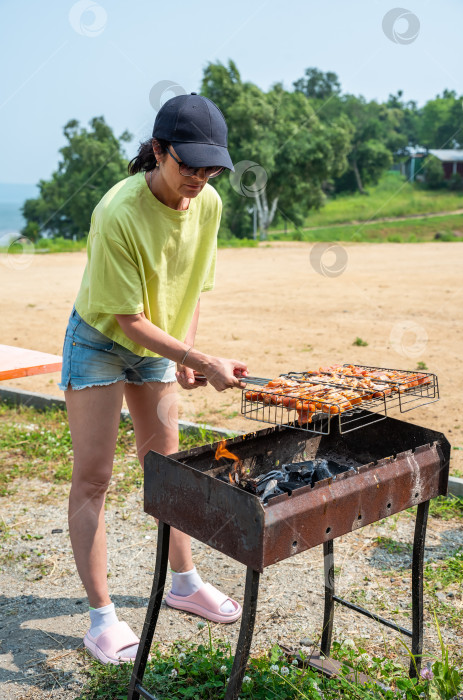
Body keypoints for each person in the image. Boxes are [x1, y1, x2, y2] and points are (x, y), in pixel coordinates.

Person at [58, 92, 248, 665]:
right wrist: (195, 357)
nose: (198, 177)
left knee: (167, 471)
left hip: (157, 343)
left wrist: (189, 358)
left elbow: (191, 285)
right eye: (187, 164)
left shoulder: (208, 202)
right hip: (100, 342)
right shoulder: (117, 212)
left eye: (209, 167)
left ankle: (184, 584)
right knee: (94, 478)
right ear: (159, 152)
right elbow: (126, 318)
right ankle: (101, 618)